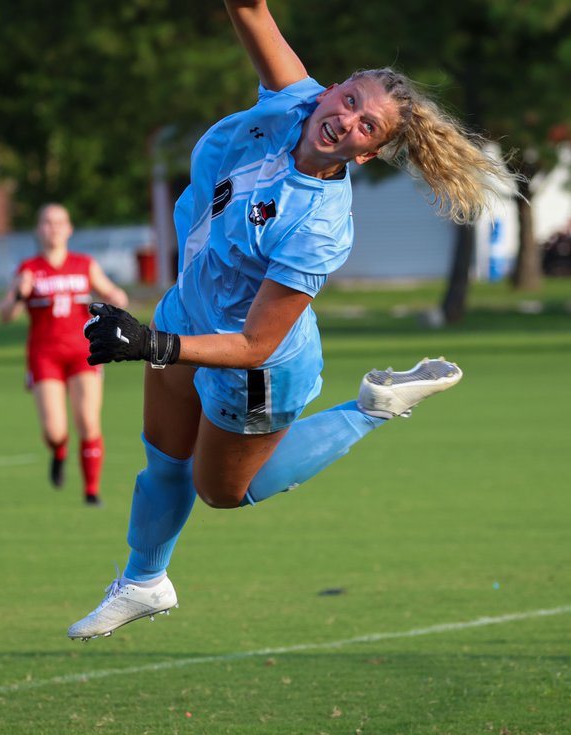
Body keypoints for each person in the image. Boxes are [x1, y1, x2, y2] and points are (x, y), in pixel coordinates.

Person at [67, 0, 508, 640]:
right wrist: (160, 339)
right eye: (351, 99)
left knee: (219, 490)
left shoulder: (322, 225)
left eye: (368, 127)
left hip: (257, 370)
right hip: (188, 312)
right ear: (331, 89)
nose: (348, 120)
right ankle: (143, 583)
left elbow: (254, 344)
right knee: (162, 463)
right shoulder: (291, 101)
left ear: (366, 155)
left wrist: (151, 343)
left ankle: (372, 407)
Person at [0, 203, 130, 505]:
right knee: (55, 430)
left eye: (60, 222)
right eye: (47, 222)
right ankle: (58, 451)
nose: (54, 227)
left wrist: (112, 303)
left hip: (83, 352)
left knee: (87, 420)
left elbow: (115, 294)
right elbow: (5, 314)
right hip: (45, 355)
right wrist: (20, 294)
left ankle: (91, 491)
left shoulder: (84, 264)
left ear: (69, 229)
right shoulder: (28, 269)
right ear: (38, 229)